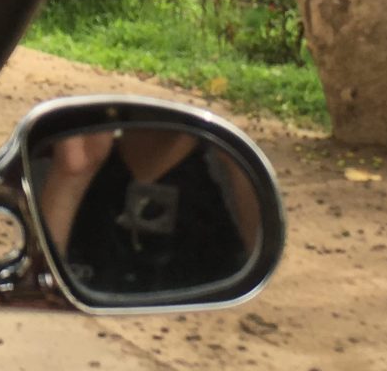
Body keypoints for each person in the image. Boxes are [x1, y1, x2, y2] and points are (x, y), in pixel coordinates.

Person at [36, 127, 260, 297]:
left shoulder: (228, 172)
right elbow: (36, 295)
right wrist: (70, 178)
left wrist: (241, 159)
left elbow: (262, 275)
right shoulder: (64, 159)